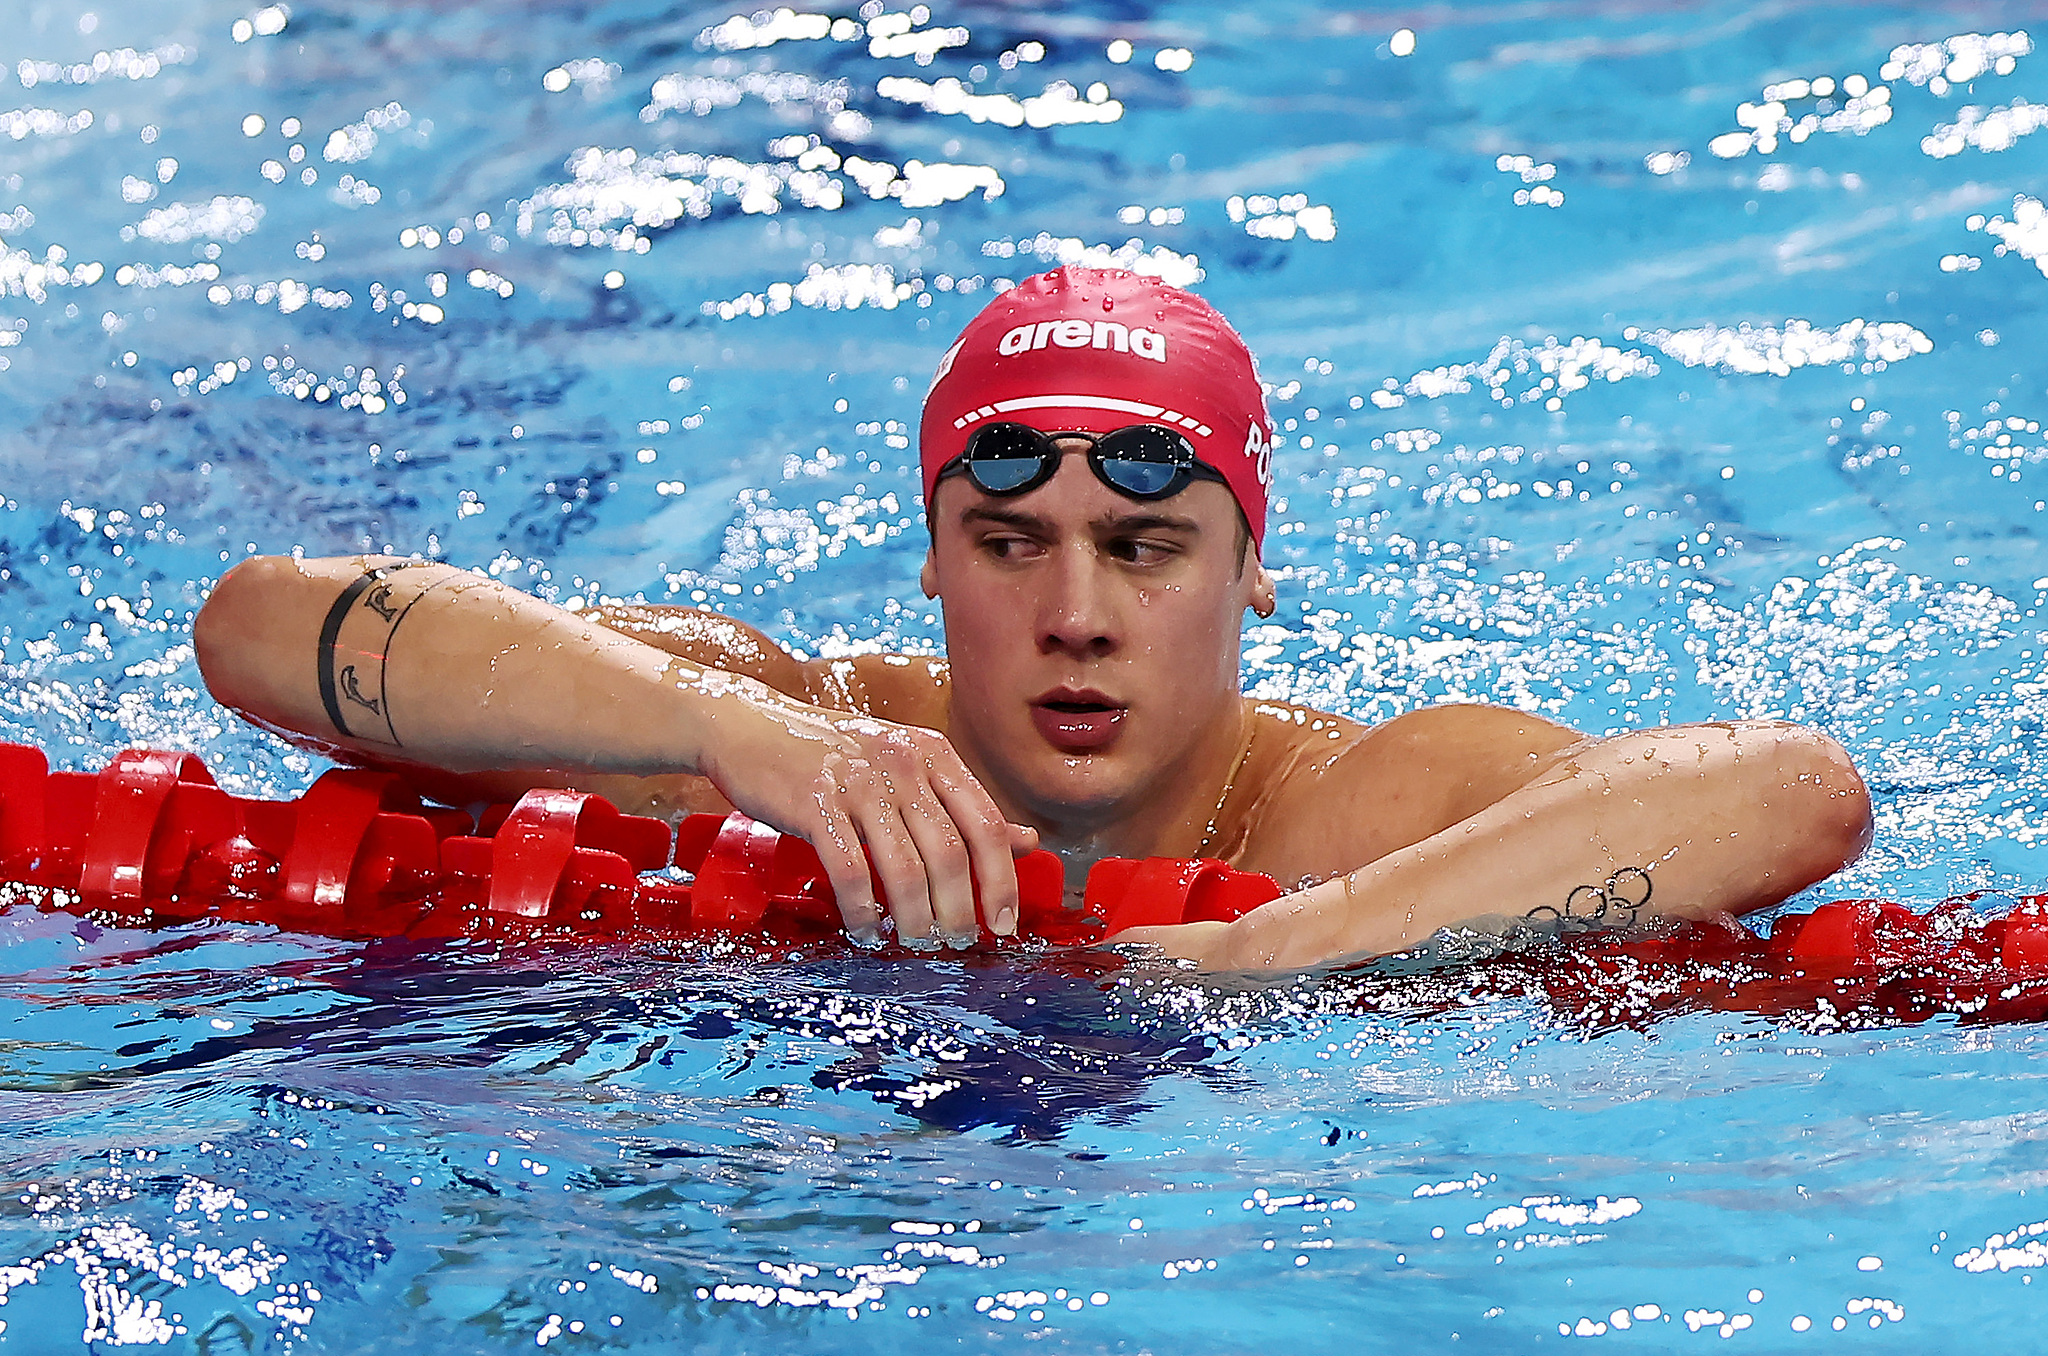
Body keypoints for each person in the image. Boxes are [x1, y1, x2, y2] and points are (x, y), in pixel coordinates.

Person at [193, 266, 1873, 970]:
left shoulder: (1345, 811)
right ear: (928, 561)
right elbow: (257, 628)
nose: (1075, 613)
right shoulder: (783, 738)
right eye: (1009, 542)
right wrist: (730, 729)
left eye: (1144, 548)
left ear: (1252, 569)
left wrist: (1272, 947)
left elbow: (1794, 787)